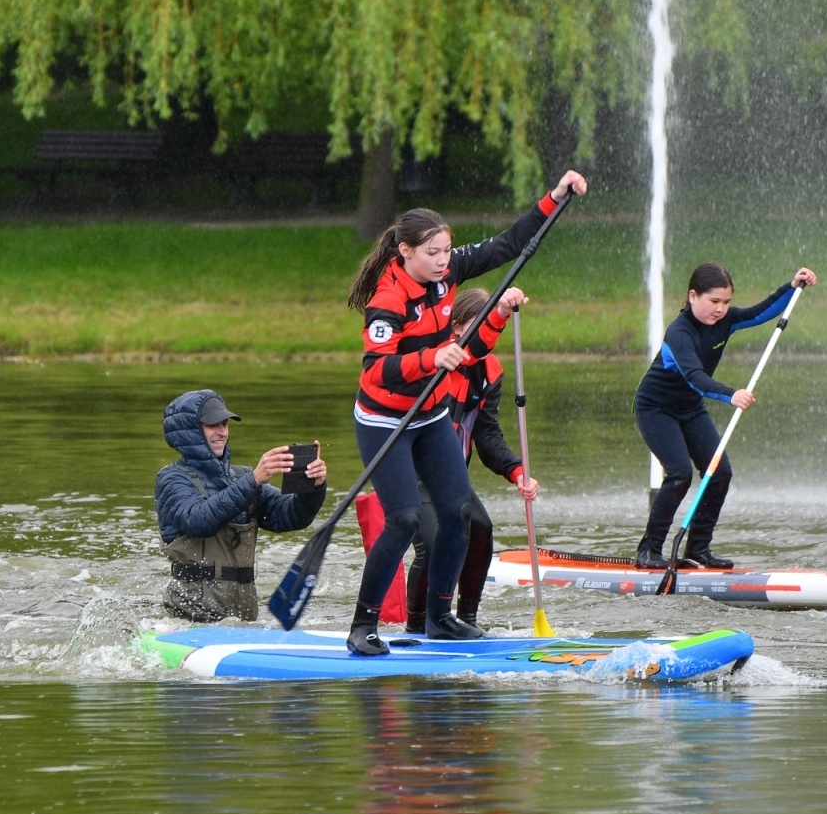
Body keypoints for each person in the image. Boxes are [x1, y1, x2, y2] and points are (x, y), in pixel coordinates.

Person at [346, 171, 587, 655]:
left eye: (445, 251)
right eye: (431, 253)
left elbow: (507, 245)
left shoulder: (448, 271)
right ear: (405, 253)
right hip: (385, 421)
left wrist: (554, 197)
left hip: (430, 415)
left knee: (460, 513)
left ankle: (440, 618)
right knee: (404, 521)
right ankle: (362, 627)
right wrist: (432, 358)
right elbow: (377, 371)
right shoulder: (388, 301)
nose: (442, 261)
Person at [634, 263, 816, 570]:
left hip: (690, 409)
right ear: (693, 296)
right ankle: (649, 552)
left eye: (726, 302)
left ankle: (697, 550)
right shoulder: (679, 334)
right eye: (714, 301)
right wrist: (730, 394)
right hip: (656, 409)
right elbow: (694, 376)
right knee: (679, 474)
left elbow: (759, 313)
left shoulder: (726, 320)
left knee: (720, 474)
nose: (721, 309)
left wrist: (792, 286)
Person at [404, 287, 540, 633]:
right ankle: (416, 627)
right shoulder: (439, 361)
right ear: (457, 328)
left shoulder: (491, 372)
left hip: (449, 477)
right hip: (413, 470)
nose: (486, 338)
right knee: (435, 543)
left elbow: (487, 436)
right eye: (479, 328)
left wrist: (517, 471)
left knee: (480, 529)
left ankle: (465, 619)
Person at [154, 389, 328, 622]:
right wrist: (254, 480)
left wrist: (313, 488)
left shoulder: (242, 477)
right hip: (188, 618)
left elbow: (291, 516)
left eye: (225, 424)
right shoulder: (172, 479)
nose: (222, 432)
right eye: (212, 425)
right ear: (191, 432)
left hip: (242, 617)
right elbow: (198, 520)